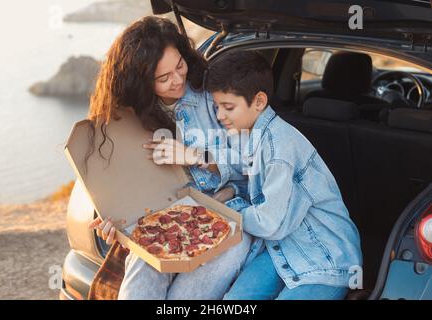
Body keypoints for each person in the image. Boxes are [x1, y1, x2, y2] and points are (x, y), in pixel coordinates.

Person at [86, 16, 251, 300]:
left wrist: (196, 156)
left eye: (180, 66)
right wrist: (116, 220)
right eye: (163, 78)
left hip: (232, 212)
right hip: (166, 217)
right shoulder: (128, 117)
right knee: (138, 285)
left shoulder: (215, 94)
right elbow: (124, 187)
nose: (178, 81)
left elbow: (250, 164)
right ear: (140, 81)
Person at [205, 50, 363, 300]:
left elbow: (271, 223)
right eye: (216, 107)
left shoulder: (281, 147)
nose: (219, 116)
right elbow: (248, 178)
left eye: (228, 107)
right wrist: (231, 189)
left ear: (258, 101)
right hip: (282, 249)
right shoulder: (250, 134)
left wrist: (224, 213)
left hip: (326, 260)